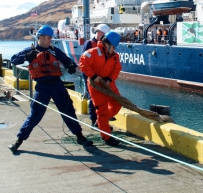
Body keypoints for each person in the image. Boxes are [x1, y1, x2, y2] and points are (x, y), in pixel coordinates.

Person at [8, 25, 92, 153]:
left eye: (51, 38)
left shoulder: (54, 50)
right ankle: (19, 140)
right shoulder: (31, 51)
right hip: (42, 87)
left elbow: (68, 61)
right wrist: (26, 57)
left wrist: (70, 65)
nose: (50, 41)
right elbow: (13, 60)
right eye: (48, 38)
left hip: (57, 85)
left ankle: (79, 136)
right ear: (40, 38)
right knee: (35, 114)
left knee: (68, 110)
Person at [79, 31, 123, 146]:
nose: (114, 49)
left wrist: (109, 79)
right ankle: (106, 137)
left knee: (117, 104)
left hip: (109, 84)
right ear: (107, 44)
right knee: (102, 110)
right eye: (113, 47)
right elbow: (83, 63)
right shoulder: (93, 52)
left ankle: (101, 122)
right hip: (95, 85)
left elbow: (117, 69)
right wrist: (94, 76)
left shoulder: (115, 57)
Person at [81, 24, 110, 127]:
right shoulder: (89, 44)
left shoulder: (105, 45)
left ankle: (102, 120)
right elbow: (84, 62)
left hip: (100, 75)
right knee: (93, 98)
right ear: (99, 33)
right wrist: (91, 75)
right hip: (90, 76)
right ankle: (94, 120)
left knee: (103, 98)